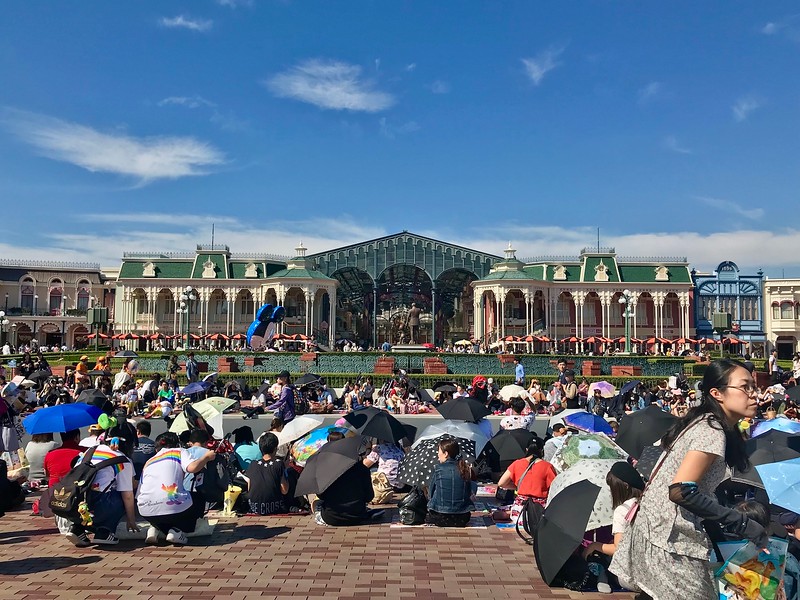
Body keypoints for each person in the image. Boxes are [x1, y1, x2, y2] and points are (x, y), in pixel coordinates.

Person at [609, 359, 768, 600]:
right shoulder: (710, 429)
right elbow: (681, 490)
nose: (754, 394)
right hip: (668, 541)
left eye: (754, 387)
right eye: (745, 387)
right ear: (717, 393)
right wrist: (741, 522)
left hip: (658, 534)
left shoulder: (706, 423)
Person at [65, 423, 139, 547]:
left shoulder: (91, 450)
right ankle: (104, 531)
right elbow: (127, 494)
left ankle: (77, 529)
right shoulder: (122, 459)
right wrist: (131, 520)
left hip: (73, 500)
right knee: (120, 496)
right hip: (98, 504)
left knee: (92, 492)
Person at [137, 432, 215, 545]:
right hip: (172, 505)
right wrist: (206, 457)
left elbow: (139, 491)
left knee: (163, 510)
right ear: (177, 444)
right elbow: (192, 468)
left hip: (145, 509)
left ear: (156, 449)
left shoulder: (149, 461)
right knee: (197, 499)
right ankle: (177, 531)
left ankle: (155, 528)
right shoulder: (179, 452)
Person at [582, 462, 646, 593]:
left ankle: (602, 575)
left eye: (612, 487)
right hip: (653, 578)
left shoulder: (622, 511)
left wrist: (594, 545)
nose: (611, 492)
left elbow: (617, 549)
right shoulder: (648, 502)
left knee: (601, 557)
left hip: (632, 579)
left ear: (625, 487)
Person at [426, 438, 474, 527]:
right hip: (462, 518)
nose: (437, 454)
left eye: (439, 451)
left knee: (436, 491)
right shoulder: (464, 468)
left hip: (440, 517)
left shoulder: (438, 468)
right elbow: (468, 492)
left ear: (446, 454)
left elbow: (430, 494)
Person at [498, 440, 556, 509]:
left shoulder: (517, 464)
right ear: (541, 450)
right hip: (539, 507)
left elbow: (501, 483)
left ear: (527, 450)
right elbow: (554, 487)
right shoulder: (548, 466)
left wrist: (518, 486)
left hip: (520, 506)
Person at [243, 432, 291, 515]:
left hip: (254, 507)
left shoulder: (253, 464)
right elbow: (284, 490)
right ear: (275, 449)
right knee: (291, 474)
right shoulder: (278, 464)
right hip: (274, 507)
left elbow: (249, 488)